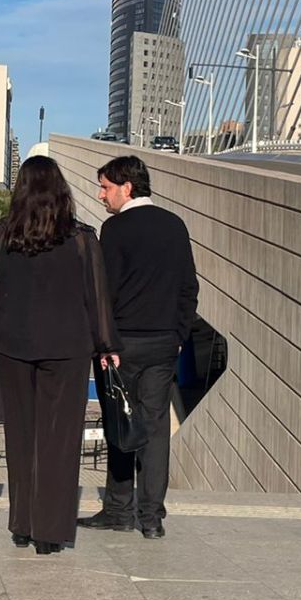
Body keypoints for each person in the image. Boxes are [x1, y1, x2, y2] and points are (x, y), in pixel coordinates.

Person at [0, 157, 119, 555]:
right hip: (68, 346)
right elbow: (97, 296)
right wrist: (107, 345)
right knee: (60, 438)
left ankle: (23, 523)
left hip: (14, 344)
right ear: (61, 191)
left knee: (22, 433)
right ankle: (50, 530)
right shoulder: (83, 238)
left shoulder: (2, 234)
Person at [81, 156, 198, 539]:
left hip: (122, 344)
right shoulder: (175, 225)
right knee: (155, 427)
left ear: (126, 187)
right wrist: (178, 336)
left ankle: (118, 509)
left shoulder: (114, 229)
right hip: (164, 343)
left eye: (106, 187)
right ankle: (152, 518)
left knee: (120, 421)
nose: (101, 196)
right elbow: (188, 288)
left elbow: (104, 292)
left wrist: (103, 341)